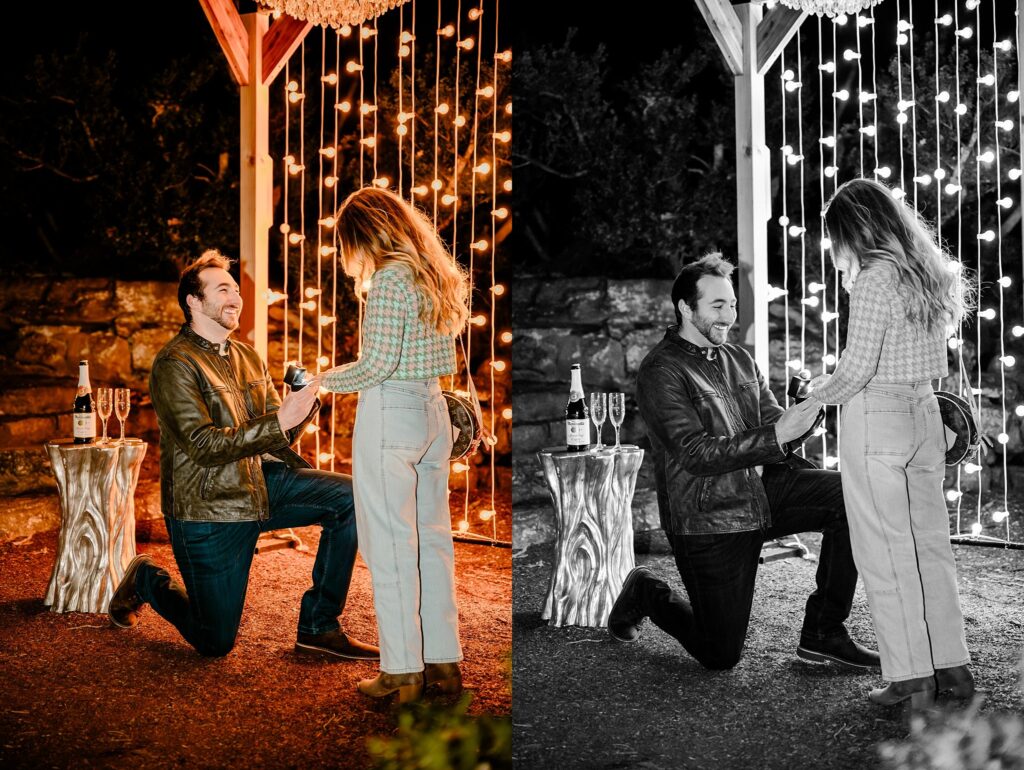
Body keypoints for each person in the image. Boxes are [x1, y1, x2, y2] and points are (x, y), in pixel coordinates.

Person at [609, 252, 880, 674]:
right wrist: (776, 436)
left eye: (732, 304)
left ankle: (824, 633)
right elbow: (696, 453)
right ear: (685, 307)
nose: (729, 315)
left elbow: (774, 424)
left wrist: (811, 408)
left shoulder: (739, 357)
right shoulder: (661, 371)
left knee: (854, 497)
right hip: (709, 516)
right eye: (717, 305)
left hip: (766, 490)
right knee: (720, 655)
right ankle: (646, 591)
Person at [106, 250, 378, 663]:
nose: (235, 297)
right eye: (222, 290)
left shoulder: (247, 355)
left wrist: (299, 410)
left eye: (235, 289)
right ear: (193, 302)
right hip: (209, 507)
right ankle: (146, 578)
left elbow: (272, 433)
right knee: (215, 642)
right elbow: (203, 445)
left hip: (262, 483)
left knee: (353, 498)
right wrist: (278, 421)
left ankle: (319, 626)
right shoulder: (173, 364)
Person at [805, 178, 974, 708]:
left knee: (884, 552)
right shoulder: (928, 273)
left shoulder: (876, 279)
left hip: (878, 418)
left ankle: (910, 678)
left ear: (854, 230)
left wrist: (812, 396)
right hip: (925, 413)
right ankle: (952, 669)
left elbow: (856, 371)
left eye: (837, 239)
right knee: (929, 550)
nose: (838, 254)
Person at [309, 187, 469, 703]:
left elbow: (376, 365)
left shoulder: (388, 281)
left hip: (390, 415)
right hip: (433, 413)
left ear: (363, 235)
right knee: (432, 541)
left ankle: (401, 669)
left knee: (390, 546)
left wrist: (319, 381)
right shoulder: (432, 275)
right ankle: (442, 661)